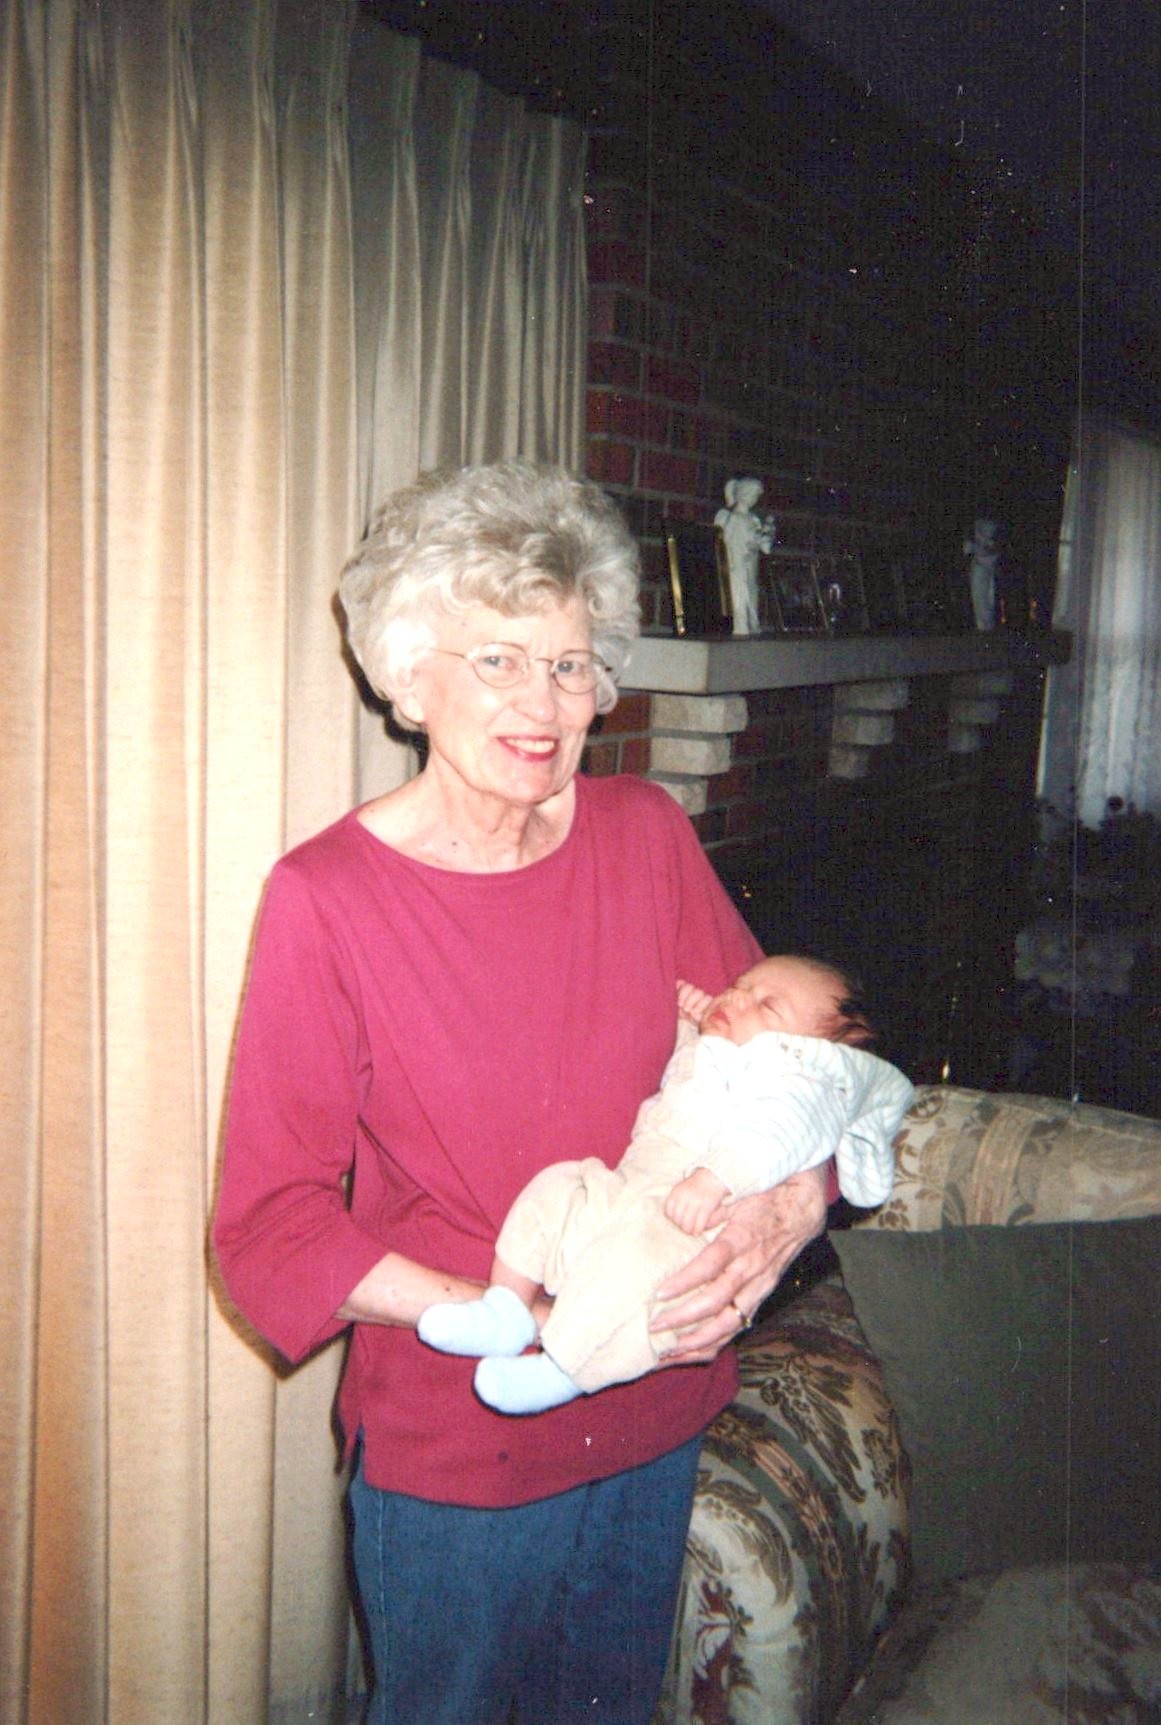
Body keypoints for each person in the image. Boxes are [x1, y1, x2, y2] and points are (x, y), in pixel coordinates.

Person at [212, 462, 839, 1725]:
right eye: (497, 660)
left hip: (656, 1401)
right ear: (408, 676)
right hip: (467, 1442)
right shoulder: (327, 901)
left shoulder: (645, 833)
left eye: (568, 664)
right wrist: (511, 1318)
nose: (544, 704)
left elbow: (790, 1065)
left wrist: (795, 1207)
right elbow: (268, 1227)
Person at [418, 955, 914, 1414]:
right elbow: (689, 1070)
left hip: (696, 1217)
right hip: (631, 1184)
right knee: (560, 1189)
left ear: (814, 1050)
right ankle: (506, 1307)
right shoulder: (724, 1050)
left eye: (766, 1005)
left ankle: (563, 1369)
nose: (736, 997)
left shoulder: (796, 1079)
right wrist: (690, 1021)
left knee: (631, 1277)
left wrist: (715, 1179)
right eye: (740, 986)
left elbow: (774, 1134)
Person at [715, 475, 774, 634]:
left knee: (751, 591)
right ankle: (740, 626)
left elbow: (765, 547)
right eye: (752, 495)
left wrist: (768, 531)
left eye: (756, 496)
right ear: (743, 494)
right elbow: (723, 541)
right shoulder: (731, 518)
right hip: (736, 562)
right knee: (739, 594)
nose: (754, 499)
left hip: (750, 563)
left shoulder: (754, 519)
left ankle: (752, 624)